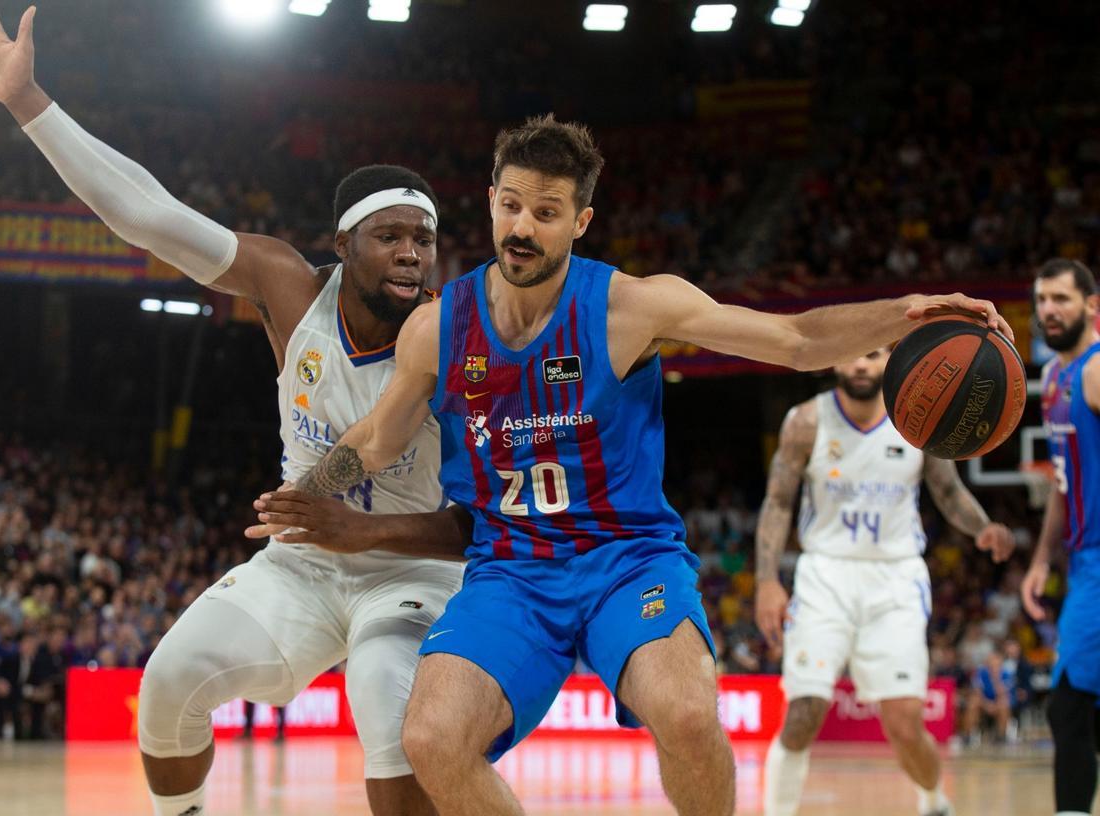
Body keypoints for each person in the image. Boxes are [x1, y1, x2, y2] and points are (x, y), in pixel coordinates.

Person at [250, 114, 1011, 816]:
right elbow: (378, 437)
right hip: (510, 568)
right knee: (433, 740)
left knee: (685, 711)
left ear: (580, 221)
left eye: (546, 213)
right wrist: (304, 491)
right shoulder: (439, 327)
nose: (522, 228)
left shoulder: (631, 308)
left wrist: (912, 308)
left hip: (627, 562)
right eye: (510, 205)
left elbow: (798, 341)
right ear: (489, 200)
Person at [0, 4, 464, 814]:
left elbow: (484, 521)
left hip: (414, 567)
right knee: (168, 684)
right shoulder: (290, 287)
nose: (411, 253)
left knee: (388, 711)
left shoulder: (460, 335)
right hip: (306, 565)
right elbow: (149, 216)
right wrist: (29, 103)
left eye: (423, 240)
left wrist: (363, 530)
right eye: (390, 236)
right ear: (343, 245)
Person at [753, 347, 1015, 816]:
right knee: (803, 712)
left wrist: (982, 528)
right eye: (850, 355)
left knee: (905, 723)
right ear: (833, 362)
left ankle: (934, 802)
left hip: (894, 577)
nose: (859, 365)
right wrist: (767, 581)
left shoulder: (918, 420)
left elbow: (948, 491)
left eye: (871, 356)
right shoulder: (805, 421)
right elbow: (776, 503)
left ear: (891, 360)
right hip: (825, 573)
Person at [1021, 258, 1100, 816]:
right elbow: (1062, 483)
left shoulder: (1097, 372)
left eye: (1062, 299)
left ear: (1091, 307)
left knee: (1070, 705)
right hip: (1080, 563)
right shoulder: (1052, 380)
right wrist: (1041, 559)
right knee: (1075, 706)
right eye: (1042, 299)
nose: (1049, 309)